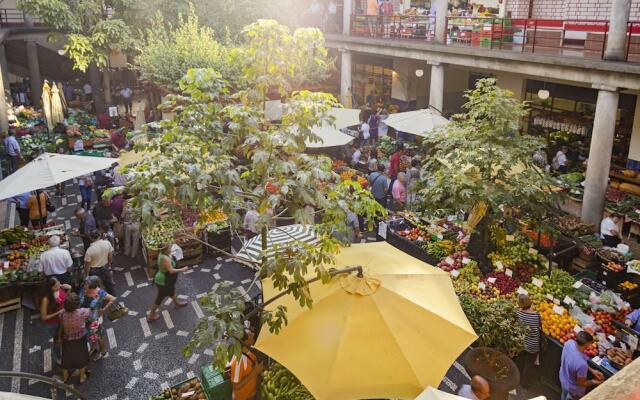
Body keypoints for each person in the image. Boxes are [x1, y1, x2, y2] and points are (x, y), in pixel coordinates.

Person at [147, 244, 188, 322]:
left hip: (166, 280)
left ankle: (177, 303)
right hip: (163, 281)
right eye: (169, 247)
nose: (170, 248)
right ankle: (151, 315)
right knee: (160, 298)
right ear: (165, 249)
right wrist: (182, 269)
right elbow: (171, 270)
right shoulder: (165, 258)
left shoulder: (163, 254)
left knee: (171, 291)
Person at [559, 331, 604, 399]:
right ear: (587, 344)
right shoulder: (582, 364)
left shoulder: (569, 343)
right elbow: (581, 383)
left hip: (563, 380)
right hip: (574, 390)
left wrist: (592, 370)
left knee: (563, 396)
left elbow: (576, 362)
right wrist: (595, 382)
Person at [79, 276, 115, 361]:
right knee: (90, 335)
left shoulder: (100, 293)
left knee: (98, 336)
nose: (85, 285)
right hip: (84, 318)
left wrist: (103, 310)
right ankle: (94, 348)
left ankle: (102, 351)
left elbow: (112, 298)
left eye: (87, 284)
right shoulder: (83, 290)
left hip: (94, 320)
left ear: (93, 285)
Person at [60, 293, 91, 384]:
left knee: (66, 357)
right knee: (82, 357)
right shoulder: (82, 312)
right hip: (80, 338)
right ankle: (82, 377)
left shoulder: (62, 314)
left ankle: (65, 378)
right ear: (77, 305)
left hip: (67, 338)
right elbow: (90, 312)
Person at [40, 277, 70, 365]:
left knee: (65, 338)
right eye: (56, 285)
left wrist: (69, 289)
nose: (59, 285)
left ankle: (66, 353)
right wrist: (58, 313)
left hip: (64, 320)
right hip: (54, 323)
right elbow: (44, 317)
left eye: (59, 283)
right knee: (57, 340)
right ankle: (59, 357)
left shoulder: (61, 289)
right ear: (51, 288)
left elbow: (66, 299)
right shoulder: (46, 299)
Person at [515, 293, 541, 389]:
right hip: (532, 344)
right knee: (529, 364)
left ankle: (517, 378)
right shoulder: (536, 316)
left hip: (521, 342)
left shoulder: (518, 313)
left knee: (520, 360)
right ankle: (525, 384)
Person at [230, 328, 264, 400]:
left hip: (252, 394)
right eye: (250, 334)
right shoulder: (238, 361)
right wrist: (254, 373)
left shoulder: (251, 349)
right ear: (245, 341)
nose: (253, 334)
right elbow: (235, 386)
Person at [84, 230, 115, 295]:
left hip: (94, 270)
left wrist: (86, 275)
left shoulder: (89, 250)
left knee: (96, 286)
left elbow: (87, 265)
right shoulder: (107, 243)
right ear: (99, 235)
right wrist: (109, 264)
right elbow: (110, 255)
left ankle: (100, 299)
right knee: (109, 284)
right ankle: (112, 296)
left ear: (91, 238)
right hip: (105, 267)